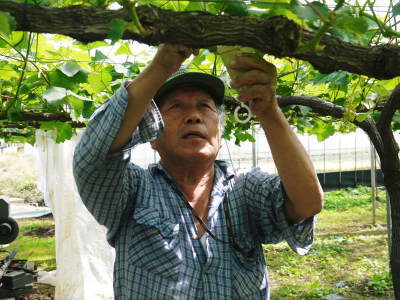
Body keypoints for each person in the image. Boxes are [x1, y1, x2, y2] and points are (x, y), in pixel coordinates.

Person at [73, 43, 323, 299]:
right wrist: (162, 67)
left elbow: (307, 203)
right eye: (176, 107)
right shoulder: (133, 191)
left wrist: (269, 111)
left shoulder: (245, 189)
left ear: (220, 135)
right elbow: (93, 158)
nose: (193, 116)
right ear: (152, 137)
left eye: (204, 106)